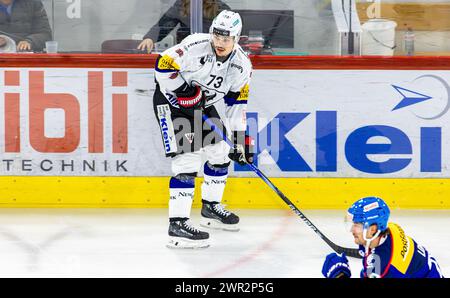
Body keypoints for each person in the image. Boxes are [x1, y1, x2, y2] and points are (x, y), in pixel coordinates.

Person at [153, 10, 253, 248]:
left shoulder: (242, 66)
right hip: (172, 103)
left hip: (202, 104)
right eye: (217, 36)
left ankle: (210, 209)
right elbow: (162, 65)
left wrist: (241, 141)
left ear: (236, 38)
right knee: (187, 160)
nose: (220, 42)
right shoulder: (195, 45)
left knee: (220, 151)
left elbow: (236, 106)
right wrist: (183, 91)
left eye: (226, 38)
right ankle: (177, 226)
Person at [322, 197, 444, 278]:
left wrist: (340, 276)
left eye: (357, 225)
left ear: (373, 229)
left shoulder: (383, 268)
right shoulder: (391, 229)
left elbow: (380, 266)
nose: (352, 230)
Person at [138, 0, 230, 53]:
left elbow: (231, 30)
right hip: (187, 53)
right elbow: (166, 23)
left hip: (211, 53)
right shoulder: (181, 4)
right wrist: (150, 38)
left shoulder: (219, 7)